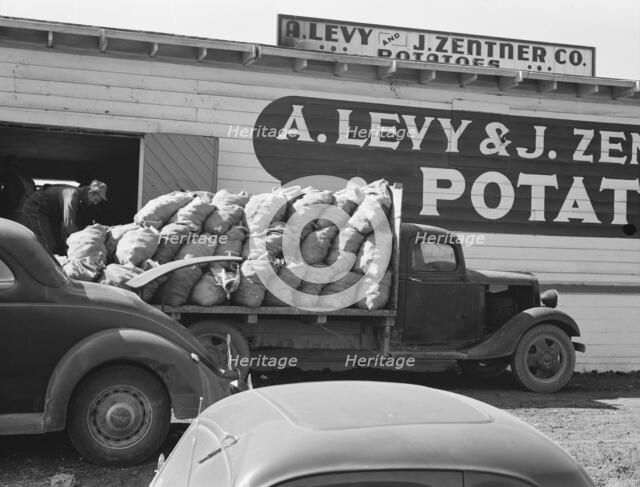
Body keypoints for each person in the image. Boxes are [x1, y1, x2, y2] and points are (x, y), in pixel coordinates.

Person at [19, 180, 108, 254]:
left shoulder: (81, 201)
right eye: (96, 199)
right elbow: (69, 224)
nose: (95, 203)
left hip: (51, 214)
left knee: (59, 244)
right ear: (91, 193)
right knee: (49, 245)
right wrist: (82, 242)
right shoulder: (72, 195)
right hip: (37, 207)